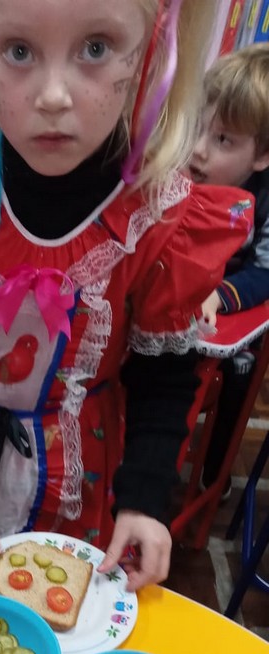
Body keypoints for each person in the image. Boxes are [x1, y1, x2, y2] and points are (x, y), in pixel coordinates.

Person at [0, 0, 253, 591]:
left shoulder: (159, 215)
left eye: (95, 48)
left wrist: (143, 501)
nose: (54, 97)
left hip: (77, 483)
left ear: (154, 44)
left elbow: (163, 377)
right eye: (18, 51)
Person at [186, 43, 269, 496]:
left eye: (223, 140)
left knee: (239, 374)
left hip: (226, 318)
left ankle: (213, 474)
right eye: (197, 128)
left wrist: (221, 295)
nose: (197, 151)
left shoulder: (264, 201)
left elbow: (265, 272)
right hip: (169, 309)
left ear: (262, 155)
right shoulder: (180, 174)